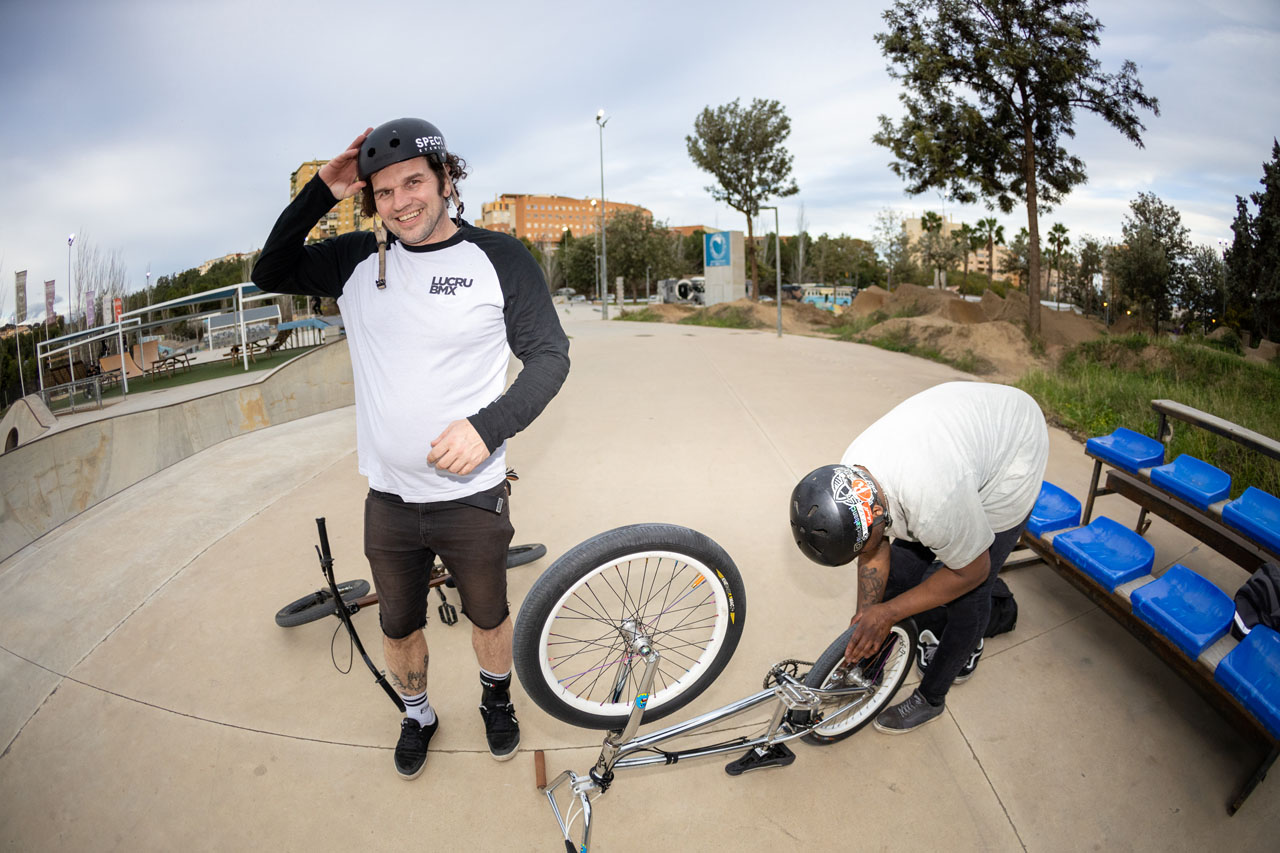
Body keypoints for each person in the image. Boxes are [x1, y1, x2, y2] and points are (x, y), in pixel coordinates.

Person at [252, 119, 570, 778]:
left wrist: (487, 426)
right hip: (391, 501)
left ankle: (495, 699)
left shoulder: (500, 257)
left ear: (446, 180)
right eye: (384, 191)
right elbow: (269, 270)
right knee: (397, 626)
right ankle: (418, 711)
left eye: (414, 182)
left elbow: (549, 356)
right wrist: (323, 191)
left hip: (471, 495)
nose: (401, 202)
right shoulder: (356, 261)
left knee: (488, 614)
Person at [789, 381, 1048, 734]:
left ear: (879, 512)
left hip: (1014, 451)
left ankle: (931, 698)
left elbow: (972, 571)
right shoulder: (850, 472)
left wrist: (889, 613)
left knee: (970, 596)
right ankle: (868, 667)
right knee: (898, 575)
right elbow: (873, 549)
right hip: (960, 436)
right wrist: (869, 612)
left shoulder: (935, 502)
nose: (864, 552)